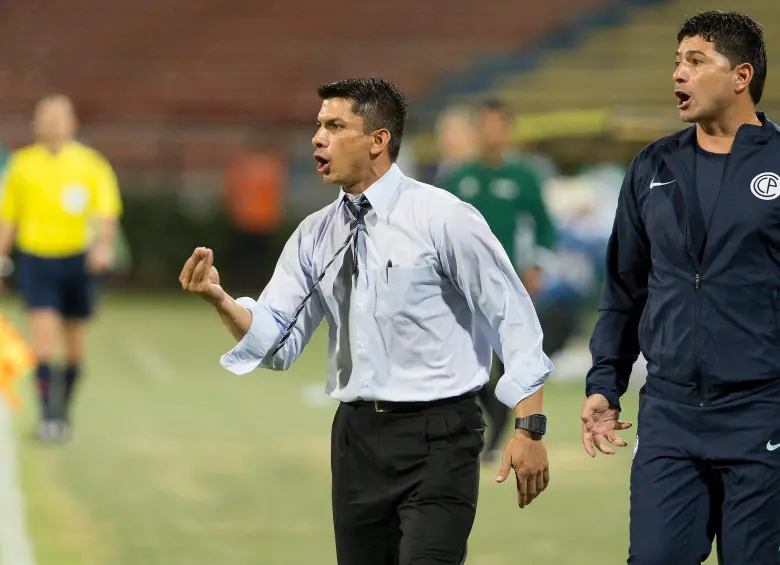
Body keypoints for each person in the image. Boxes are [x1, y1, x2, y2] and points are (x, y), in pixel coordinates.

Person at [180, 78, 553, 564]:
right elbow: (276, 339)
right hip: (356, 441)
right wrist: (221, 300)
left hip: (439, 437)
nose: (318, 138)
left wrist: (530, 427)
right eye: (319, 125)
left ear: (378, 140)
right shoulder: (314, 234)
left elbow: (514, 318)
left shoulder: (444, 218)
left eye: (335, 126)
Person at [581, 11, 779, 564]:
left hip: (762, 410)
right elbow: (624, 288)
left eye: (695, 61)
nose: (678, 75)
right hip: (670, 414)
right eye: (676, 62)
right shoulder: (651, 167)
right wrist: (604, 383)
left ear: (741, 76)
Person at [0, 94, 122, 442]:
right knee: (42, 339)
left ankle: (64, 411)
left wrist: (102, 246)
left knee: (74, 346)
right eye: (45, 116)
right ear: (36, 123)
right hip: (37, 260)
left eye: (59, 116)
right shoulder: (22, 165)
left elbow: (107, 212)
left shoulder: (90, 164)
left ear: (73, 123)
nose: (52, 123)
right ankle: (47, 417)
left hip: (77, 262)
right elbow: (9, 217)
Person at [441, 98, 557, 463]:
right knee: (462, 365)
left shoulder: (524, 177)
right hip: (462, 288)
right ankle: (474, 434)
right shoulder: (458, 177)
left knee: (507, 368)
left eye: (498, 125)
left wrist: (536, 265)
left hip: (508, 287)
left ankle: (499, 438)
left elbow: (544, 226)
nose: (492, 133)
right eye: (485, 125)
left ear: (507, 130)